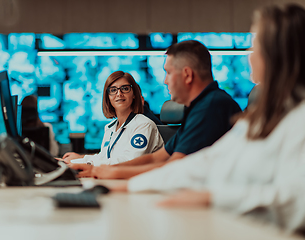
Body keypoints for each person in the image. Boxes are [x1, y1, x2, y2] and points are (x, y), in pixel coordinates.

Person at [113, 4, 305, 234]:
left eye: (256, 47)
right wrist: (132, 186)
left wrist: (211, 198)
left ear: (277, 54)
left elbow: (294, 201)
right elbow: (208, 162)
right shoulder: (258, 119)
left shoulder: (298, 120)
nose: (250, 56)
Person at [70, 40, 241, 178]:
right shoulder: (198, 108)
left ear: (187, 75)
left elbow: (173, 167)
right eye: (112, 91)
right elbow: (156, 157)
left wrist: (103, 172)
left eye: (168, 72)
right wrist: (100, 170)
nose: (165, 81)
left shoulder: (211, 107)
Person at [60, 71, 164, 166]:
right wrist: (68, 162)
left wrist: (85, 164)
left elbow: (129, 162)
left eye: (125, 88)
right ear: (108, 98)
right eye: (113, 90)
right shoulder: (110, 128)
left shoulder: (144, 124)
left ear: (134, 95)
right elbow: (103, 158)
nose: (119, 94)